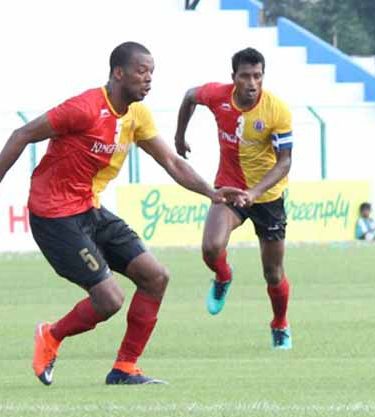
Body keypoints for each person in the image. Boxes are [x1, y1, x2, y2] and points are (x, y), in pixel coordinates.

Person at [0, 42, 246, 386]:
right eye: (141, 72)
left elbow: (172, 162)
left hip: (90, 209)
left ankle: (125, 368)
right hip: (54, 216)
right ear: (119, 73)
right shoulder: (85, 108)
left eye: (152, 73)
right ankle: (51, 335)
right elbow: (22, 134)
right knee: (109, 299)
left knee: (155, 277)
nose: (148, 80)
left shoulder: (136, 115)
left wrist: (211, 192)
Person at [174, 47, 294, 349]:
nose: (252, 83)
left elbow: (285, 162)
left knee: (273, 272)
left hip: (267, 197)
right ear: (234, 78)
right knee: (211, 248)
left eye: (258, 76)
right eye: (245, 76)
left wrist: (255, 193)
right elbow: (190, 96)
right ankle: (224, 276)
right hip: (229, 187)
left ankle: (280, 323)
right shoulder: (217, 96)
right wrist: (179, 135)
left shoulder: (276, 110)